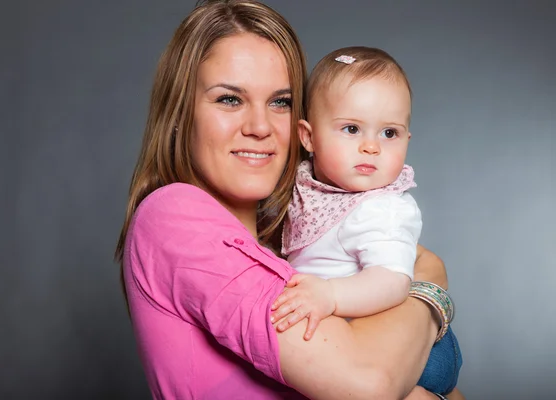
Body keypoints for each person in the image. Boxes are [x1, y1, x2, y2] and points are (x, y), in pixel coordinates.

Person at [115, 1, 463, 399]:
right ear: (180, 111)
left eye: (279, 101)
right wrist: (429, 285)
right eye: (230, 99)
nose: (260, 127)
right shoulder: (175, 216)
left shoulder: (300, 232)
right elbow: (370, 385)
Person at [271, 47, 462, 396]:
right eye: (351, 129)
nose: (371, 147)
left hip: (418, 354)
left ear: (407, 139)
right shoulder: (307, 189)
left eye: (389, 133)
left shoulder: (382, 208)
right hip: (360, 342)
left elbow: (391, 282)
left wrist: (329, 294)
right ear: (308, 137)